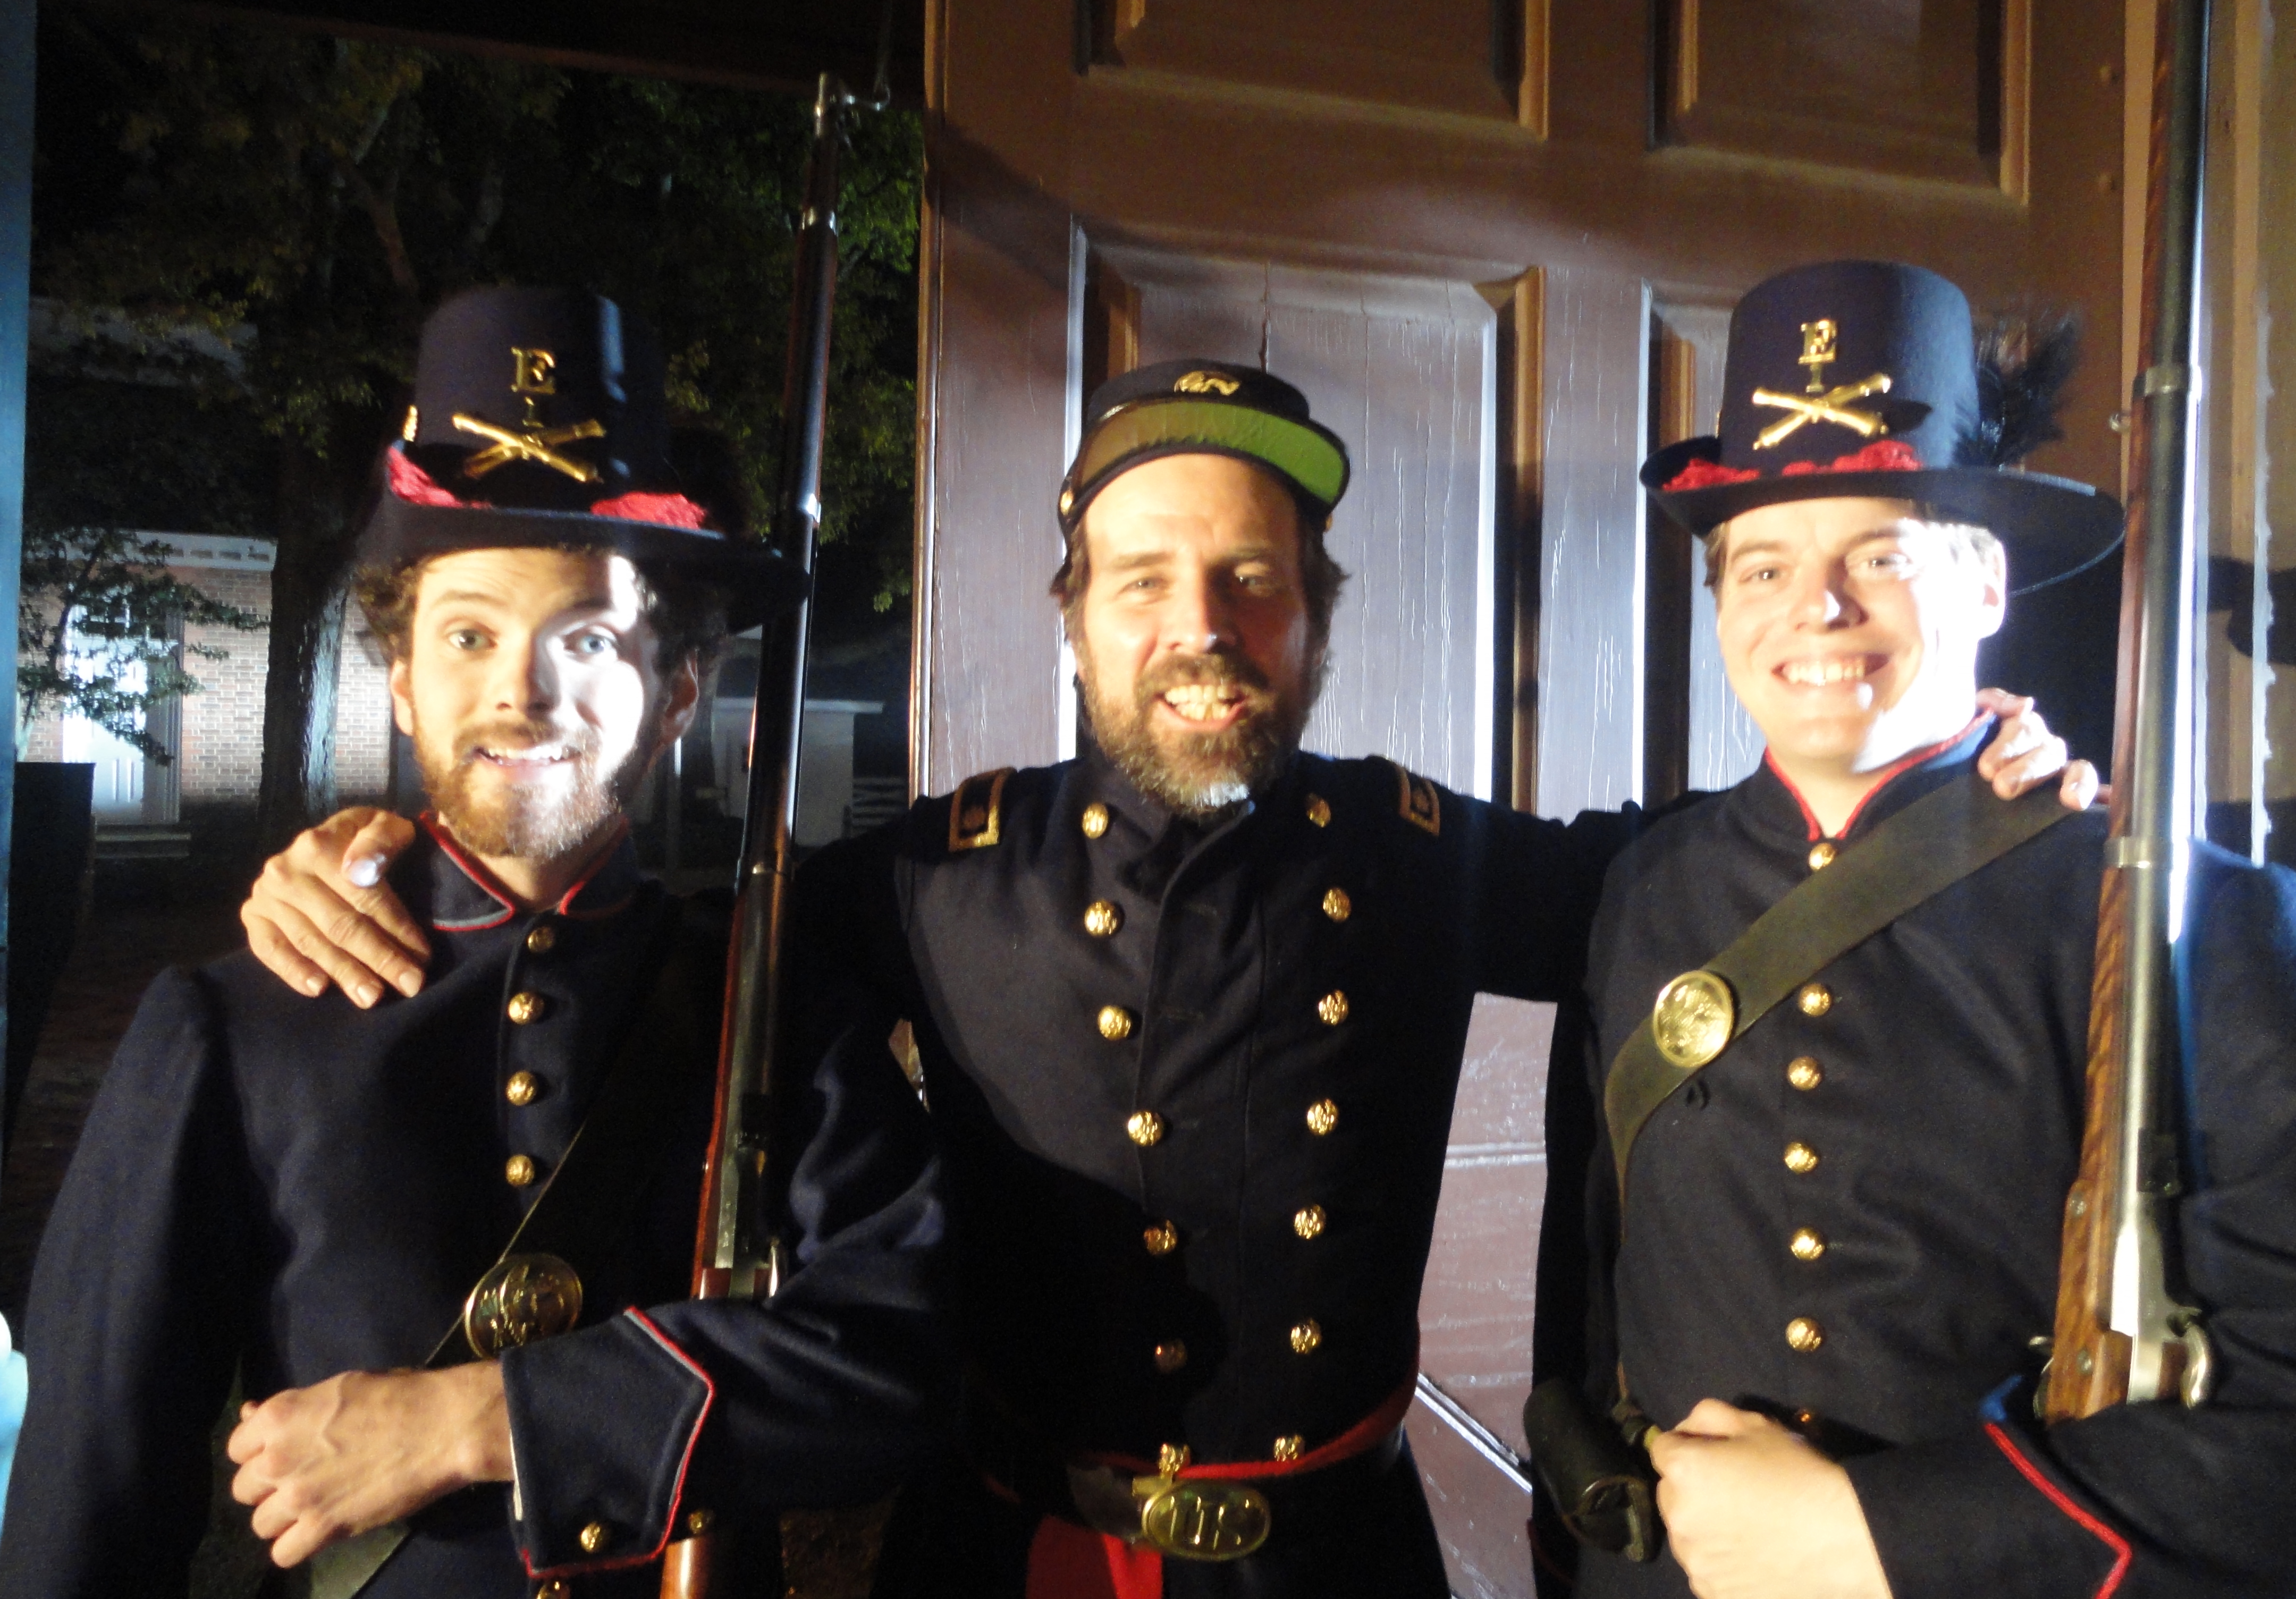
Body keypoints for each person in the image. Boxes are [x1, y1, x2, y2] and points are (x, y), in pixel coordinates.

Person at [237, 353, 2090, 1597]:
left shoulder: (1420, 859)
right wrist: (368, 851)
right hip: (1000, 1556)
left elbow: (1736, 863)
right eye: (1143, 580)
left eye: (1251, 578)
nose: (1200, 628)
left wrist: (1961, 775)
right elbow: (623, 953)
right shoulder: (934, 877)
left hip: (1334, 1566)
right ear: (1075, 620)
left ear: (1316, 614)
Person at [0, 287, 951, 1599]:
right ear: (401, 678)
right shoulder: (230, 1020)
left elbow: (909, 1356)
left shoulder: (772, 997)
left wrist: (476, 1421)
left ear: (676, 696)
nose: (522, 687)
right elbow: (90, 1501)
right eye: (468, 635)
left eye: (591, 638)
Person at [1533, 259, 2296, 1598]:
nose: (1815, 612)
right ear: (1719, 607)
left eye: (1880, 555)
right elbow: (1589, 1305)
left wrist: (1887, 1537)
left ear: (1988, 587)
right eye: (1762, 565)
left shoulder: (2195, 921)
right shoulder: (1644, 893)